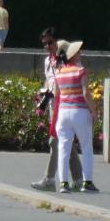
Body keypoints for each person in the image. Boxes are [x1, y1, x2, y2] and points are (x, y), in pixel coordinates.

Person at [32, 27, 84, 192]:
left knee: (54, 141)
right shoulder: (48, 62)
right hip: (53, 105)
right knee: (65, 141)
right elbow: (49, 81)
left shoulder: (65, 60)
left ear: (57, 42)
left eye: (50, 43)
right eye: (44, 44)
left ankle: (49, 179)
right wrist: (42, 95)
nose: (47, 47)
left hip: (65, 105)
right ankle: (79, 179)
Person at [51, 40, 97, 194]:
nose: (80, 53)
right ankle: (87, 182)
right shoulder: (81, 71)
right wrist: (94, 111)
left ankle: (63, 183)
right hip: (80, 111)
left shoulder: (59, 72)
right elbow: (85, 93)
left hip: (63, 112)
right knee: (86, 147)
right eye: (78, 52)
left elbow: (57, 94)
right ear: (73, 55)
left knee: (63, 148)